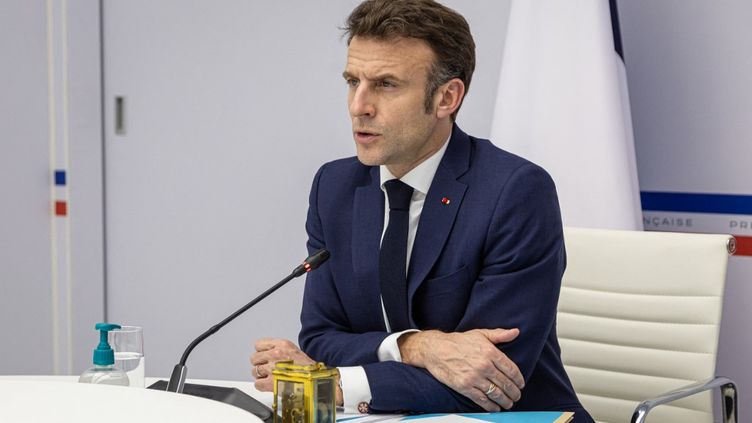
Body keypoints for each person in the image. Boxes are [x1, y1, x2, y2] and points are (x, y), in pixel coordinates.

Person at [251, 1, 593, 421]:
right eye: (352, 81)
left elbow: (489, 379)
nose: (359, 105)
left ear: (447, 97)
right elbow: (322, 337)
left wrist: (333, 384)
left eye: (386, 84)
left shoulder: (514, 191)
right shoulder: (335, 187)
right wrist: (416, 345)